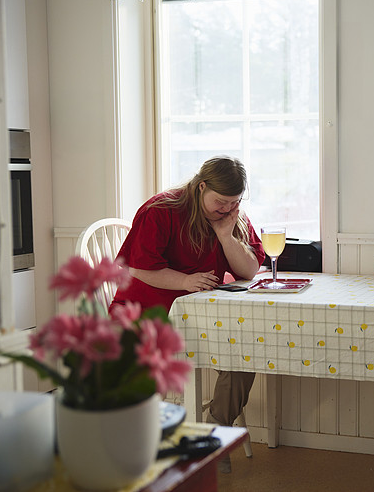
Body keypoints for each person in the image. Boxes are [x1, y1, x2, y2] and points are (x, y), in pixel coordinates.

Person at [110, 156, 265, 468]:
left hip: (201, 317)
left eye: (234, 202)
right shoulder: (160, 211)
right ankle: (139, 442)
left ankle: (213, 432)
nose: (227, 208)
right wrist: (184, 280)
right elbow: (136, 266)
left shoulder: (231, 216)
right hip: (146, 312)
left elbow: (249, 268)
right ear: (201, 186)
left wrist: (225, 235)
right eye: (220, 201)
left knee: (247, 350)